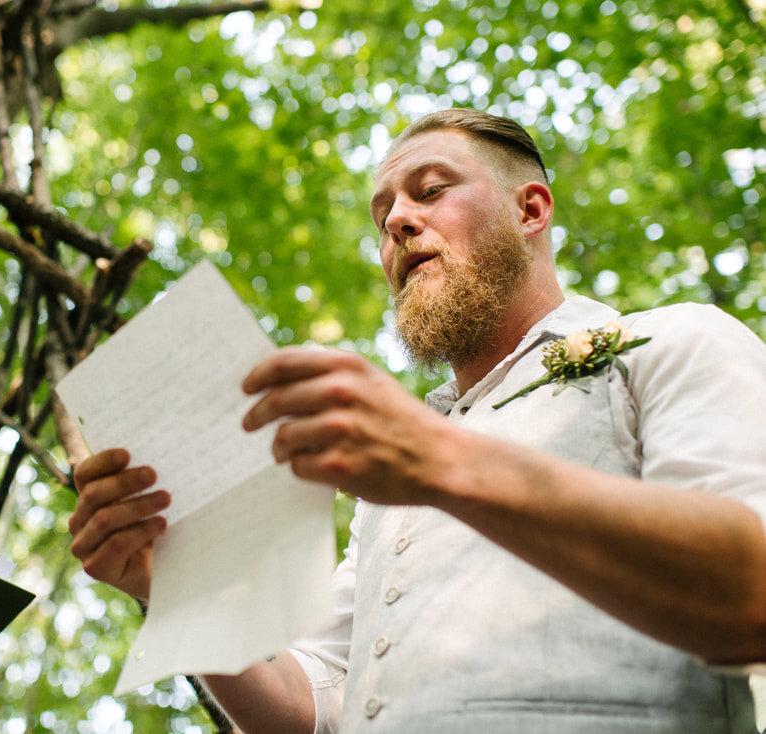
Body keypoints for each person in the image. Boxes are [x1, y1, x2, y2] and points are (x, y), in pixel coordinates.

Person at [67, 108, 766, 733]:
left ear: (530, 211)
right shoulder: (387, 496)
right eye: (382, 218)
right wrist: (181, 590)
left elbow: (751, 592)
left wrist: (435, 460)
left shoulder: (673, 342)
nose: (398, 222)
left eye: (430, 191)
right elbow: (315, 707)